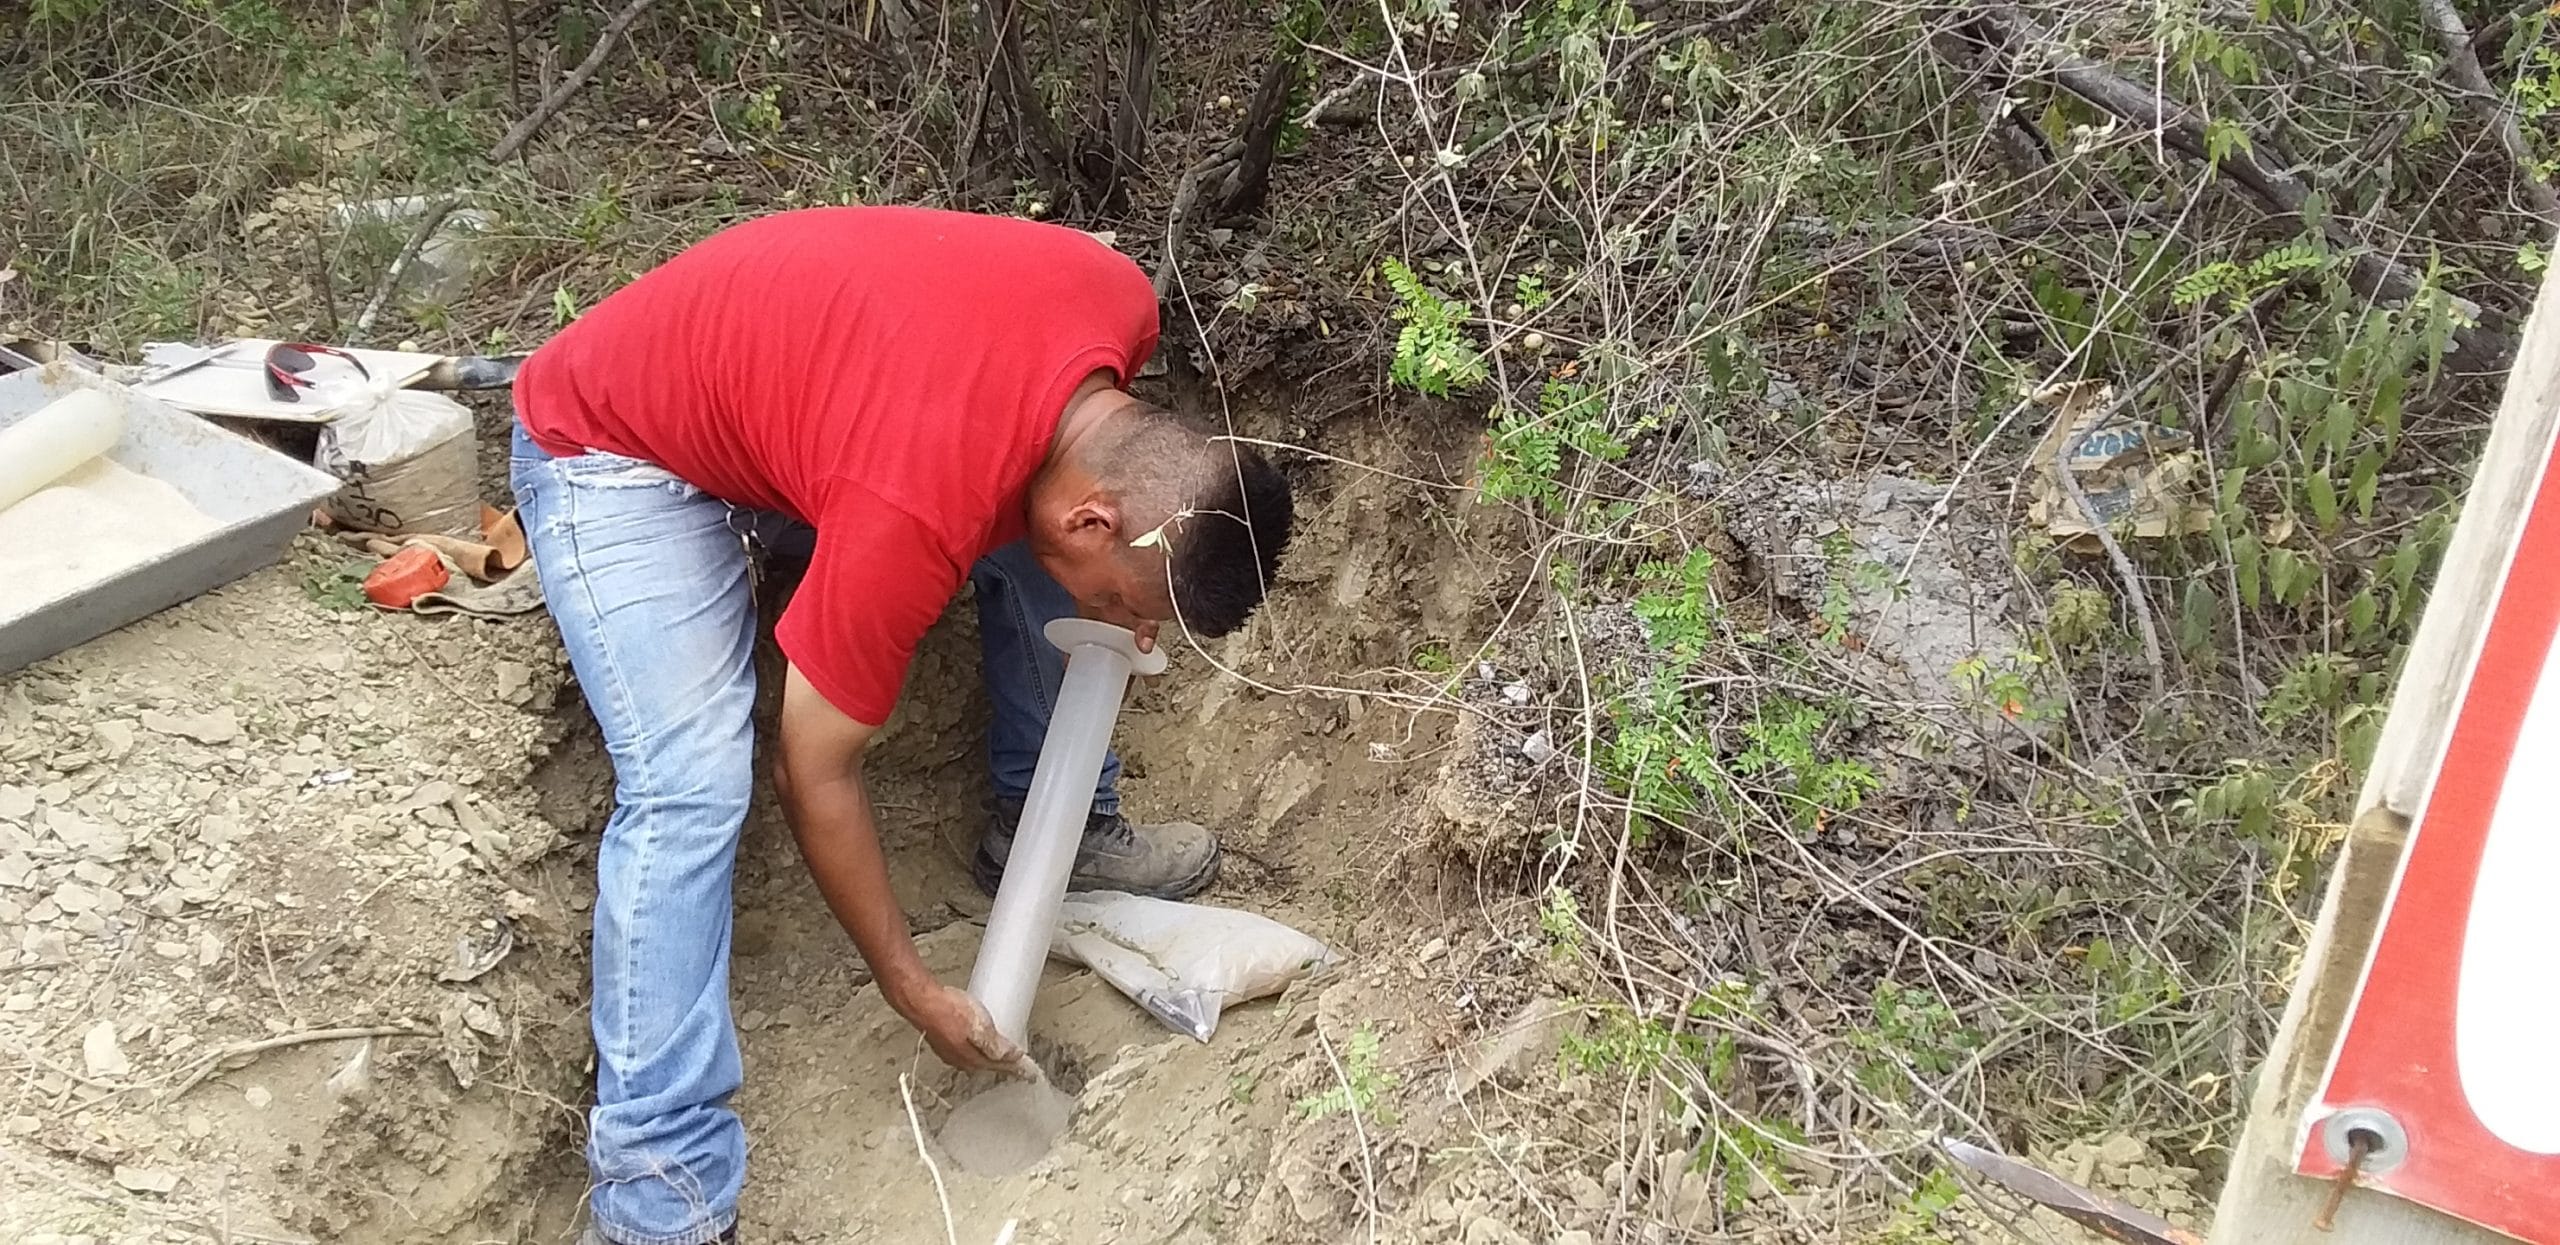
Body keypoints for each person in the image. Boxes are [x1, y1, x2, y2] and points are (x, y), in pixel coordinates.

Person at [508, 206, 1294, 1245]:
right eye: (1127, 603)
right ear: (1094, 517)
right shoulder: (912, 507)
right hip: (620, 450)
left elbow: (1042, 485)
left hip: (809, 414)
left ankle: (1054, 830)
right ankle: (661, 1203)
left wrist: (1119, 595)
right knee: (687, 785)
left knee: (1043, 562)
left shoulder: (1116, 303)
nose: (1131, 631)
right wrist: (912, 985)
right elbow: (813, 769)